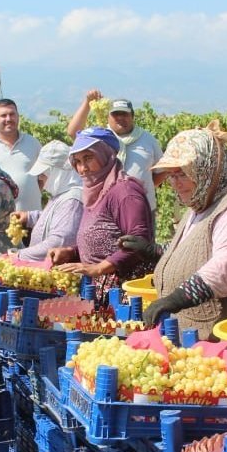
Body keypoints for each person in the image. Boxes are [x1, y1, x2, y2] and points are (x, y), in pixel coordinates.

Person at [135, 122, 227, 340]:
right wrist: (155, 250)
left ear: (206, 168)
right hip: (197, 343)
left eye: (182, 173)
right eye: (171, 175)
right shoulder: (201, 203)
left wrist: (179, 298)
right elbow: (195, 251)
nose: (175, 183)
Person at [49, 127, 155, 300]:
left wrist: (99, 268)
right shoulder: (96, 192)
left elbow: (139, 241)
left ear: (106, 155)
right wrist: (72, 252)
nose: (82, 168)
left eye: (88, 158)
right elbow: (105, 240)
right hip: (98, 290)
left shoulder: (124, 191)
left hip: (123, 294)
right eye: (77, 161)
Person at [67, 91, 163, 216]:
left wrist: (141, 188)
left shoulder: (148, 139)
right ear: (108, 117)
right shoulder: (100, 137)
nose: (120, 118)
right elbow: (73, 132)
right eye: (115, 114)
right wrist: (87, 102)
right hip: (107, 209)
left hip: (142, 209)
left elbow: (161, 170)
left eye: (124, 114)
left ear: (132, 116)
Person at [13, 140, 84, 262]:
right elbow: (56, 218)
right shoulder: (61, 194)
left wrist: (19, 255)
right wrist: (30, 217)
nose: (40, 177)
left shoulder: (72, 201)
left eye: (44, 173)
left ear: (58, 173)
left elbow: (59, 242)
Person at [0, 98, 42, 214]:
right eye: (3, 115)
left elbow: (42, 178)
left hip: (31, 218)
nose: (8, 119)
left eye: (12, 114)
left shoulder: (33, 143)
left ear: (18, 116)